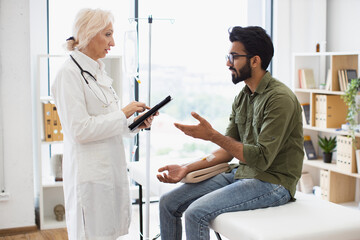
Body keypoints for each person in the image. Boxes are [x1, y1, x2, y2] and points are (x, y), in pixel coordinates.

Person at [157, 26, 304, 240]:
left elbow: (262, 159)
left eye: (234, 57)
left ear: (255, 60)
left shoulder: (279, 99)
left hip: (273, 182)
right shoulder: (243, 97)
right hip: (242, 173)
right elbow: (227, 151)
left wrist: (212, 135)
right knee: (167, 202)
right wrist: (185, 168)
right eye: (229, 56)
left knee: (195, 213)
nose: (228, 63)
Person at [51, 8, 157, 240]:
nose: (113, 42)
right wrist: (124, 112)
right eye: (108, 34)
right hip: (89, 177)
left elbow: (109, 123)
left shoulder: (98, 72)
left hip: (109, 171)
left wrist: (136, 124)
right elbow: (79, 130)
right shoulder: (68, 74)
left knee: (109, 234)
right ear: (89, 34)